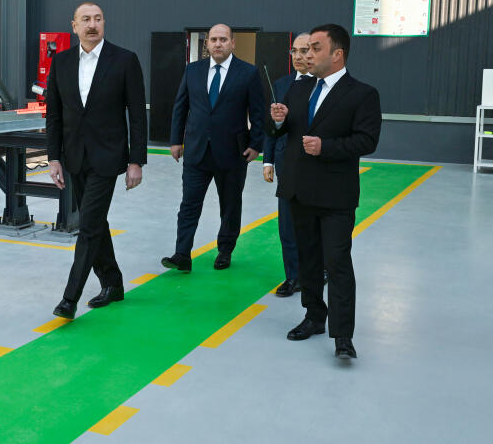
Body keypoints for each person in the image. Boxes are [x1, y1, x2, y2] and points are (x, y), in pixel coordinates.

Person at [268, 23, 381, 360]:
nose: (307, 54)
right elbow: (282, 132)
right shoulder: (299, 90)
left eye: (315, 48)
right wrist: (277, 120)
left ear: (337, 54)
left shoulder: (362, 94)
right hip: (299, 190)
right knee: (308, 261)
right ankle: (314, 317)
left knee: (338, 262)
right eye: (305, 48)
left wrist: (326, 147)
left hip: (335, 195)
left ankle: (343, 335)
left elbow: (367, 140)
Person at [45, 2, 147, 320]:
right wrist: (53, 157)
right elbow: (54, 114)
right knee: (97, 221)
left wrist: (136, 161)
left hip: (108, 157)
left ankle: (69, 298)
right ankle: (113, 283)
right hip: (75, 156)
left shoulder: (125, 60)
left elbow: (137, 115)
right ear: (74, 26)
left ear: (104, 23)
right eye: (86, 19)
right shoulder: (61, 62)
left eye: (98, 19)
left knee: (88, 225)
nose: (92, 24)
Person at [161, 23, 264, 273]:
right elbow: (181, 107)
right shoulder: (193, 70)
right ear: (207, 43)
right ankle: (182, 254)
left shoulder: (248, 73)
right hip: (196, 151)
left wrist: (255, 144)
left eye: (223, 39)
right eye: (214, 39)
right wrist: (175, 141)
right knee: (189, 205)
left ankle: (225, 250)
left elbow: (258, 112)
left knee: (230, 206)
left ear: (232, 43)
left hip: (233, 153)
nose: (218, 44)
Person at [262, 33, 312, 297]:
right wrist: (267, 160)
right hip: (286, 164)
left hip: (315, 164)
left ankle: (316, 271)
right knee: (288, 224)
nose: (299, 56)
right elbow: (272, 125)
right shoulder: (281, 84)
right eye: (295, 51)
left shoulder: (323, 85)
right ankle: (292, 276)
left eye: (305, 51)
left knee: (314, 224)